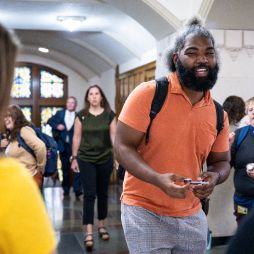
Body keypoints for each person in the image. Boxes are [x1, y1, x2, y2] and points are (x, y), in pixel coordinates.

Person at [114, 17, 230, 254]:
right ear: (176, 59)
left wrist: (214, 178)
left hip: (192, 214)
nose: (202, 59)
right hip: (144, 211)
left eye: (209, 53)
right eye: (192, 52)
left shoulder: (218, 113)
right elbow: (122, 147)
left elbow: (222, 161)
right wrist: (158, 179)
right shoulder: (149, 94)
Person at [0, 23, 56, 254]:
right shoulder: (8, 184)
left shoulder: (24, 132)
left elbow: (40, 147)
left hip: (31, 175)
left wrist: (39, 169)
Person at [71, 84, 117, 251]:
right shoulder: (81, 115)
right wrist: (74, 157)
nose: (94, 97)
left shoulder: (109, 115)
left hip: (105, 158)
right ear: (88, 98)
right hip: (85, 158)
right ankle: (88, 231)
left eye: (97, 93)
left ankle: (102, 226)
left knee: (103, 193)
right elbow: (76, 137)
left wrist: (117, 156)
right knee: (89, 194)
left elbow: (114, 136)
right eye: (91, 94)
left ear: (101, 97)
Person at [4, 104, 47, 188]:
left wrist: (39, 169)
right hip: (18, 180)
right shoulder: (12, 134)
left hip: (28, 180)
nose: (6, 119)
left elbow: (41, 147)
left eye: (9, 116)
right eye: (5, 116)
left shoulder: (24, 130)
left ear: (17, 117)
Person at [47, 96, 82, 198]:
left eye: (72, 103)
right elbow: (49, 121)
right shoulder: (60, 114)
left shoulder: (78, 115)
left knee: (77, 169)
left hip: (75, 147)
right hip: (63, 146)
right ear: (66, 104)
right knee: (65, 169)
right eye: (68, 102)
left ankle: (77, 190)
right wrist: (57, 126)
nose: (70, 104)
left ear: (75, 105)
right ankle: (66, 189)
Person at [230, 97, 254, 224]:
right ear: (247, 113)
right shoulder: (239, 134)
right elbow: (226, 163)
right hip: (243, 200)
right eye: (251, 110)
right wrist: (226, 147)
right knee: (244, 237)